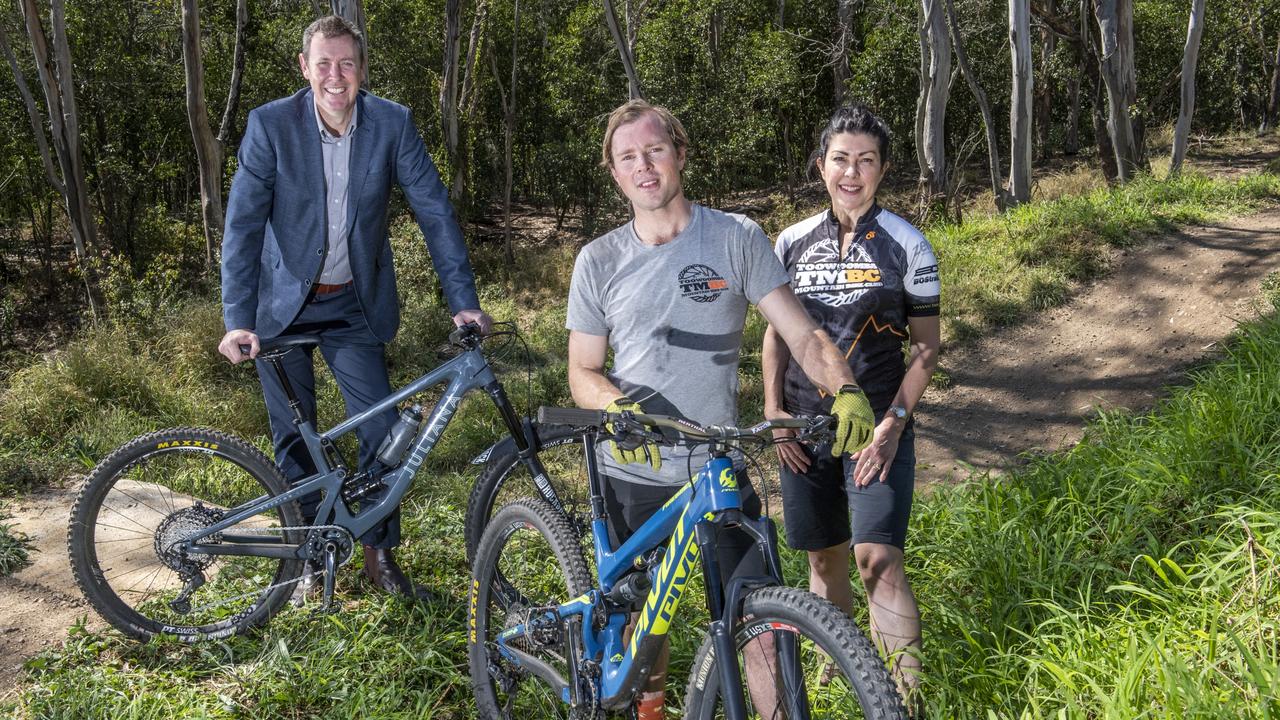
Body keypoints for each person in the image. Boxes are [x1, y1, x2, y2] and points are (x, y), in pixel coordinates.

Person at [566, 99, 876, 720]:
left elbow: (802, 335)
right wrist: (618, 404)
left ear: (679, 154)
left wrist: (843, 386)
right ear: (614, 172)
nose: (644, 166)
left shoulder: (734, 237)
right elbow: (582, 371)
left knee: (760, 621)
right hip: (633, 469)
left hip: (718, 469)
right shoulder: (597, 261)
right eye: (628, 157)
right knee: (642, 635)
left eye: (654, 150)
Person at [216, 15, 491, 601]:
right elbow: (241, 225)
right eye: (323, 64)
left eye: (346, 64)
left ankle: (379, 554)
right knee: (295, 435)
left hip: (352, 306)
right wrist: (237, 316)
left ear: (362, 70)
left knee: (383, 431)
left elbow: (434, 211)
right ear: (305, 68)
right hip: (280, 308)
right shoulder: (270, 125)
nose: (335, 77)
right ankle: (309, 558)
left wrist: (463, 302)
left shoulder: (392, 123)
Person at [762, 104, 940, 703]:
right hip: (804, 428)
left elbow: (926, 349)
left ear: (883, 169)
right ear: (821, 166)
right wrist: (774, 415)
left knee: (878, 560)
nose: (852, 172)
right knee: (825, 560)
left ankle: (901, 702)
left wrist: (894, 422)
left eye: (866, 161)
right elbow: (776, 336)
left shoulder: (909, 245)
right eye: (841, 159)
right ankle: (840, 675)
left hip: (878, 429)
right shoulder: (788, 242)